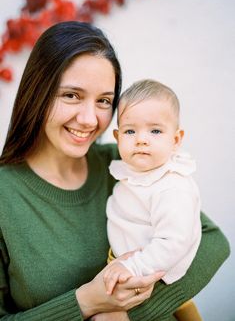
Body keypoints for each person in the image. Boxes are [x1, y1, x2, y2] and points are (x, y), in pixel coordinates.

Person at [0, 21, 230, 321]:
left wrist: (129, 313)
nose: (88, 118)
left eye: (104, 101)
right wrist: (86, 302)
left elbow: (212, 241)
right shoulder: (6, 195)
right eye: (71, 95)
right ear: (37, 92)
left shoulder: (125, 165)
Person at [104, 79, 202, 295]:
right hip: (123, 264)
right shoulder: (133, 172)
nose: (141, 140)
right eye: (130, 131)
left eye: (155, 131)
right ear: (117, 137)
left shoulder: (172, 187)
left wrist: (132, 267)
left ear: (176, 140)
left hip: (150, 272)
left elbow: (173, 243)